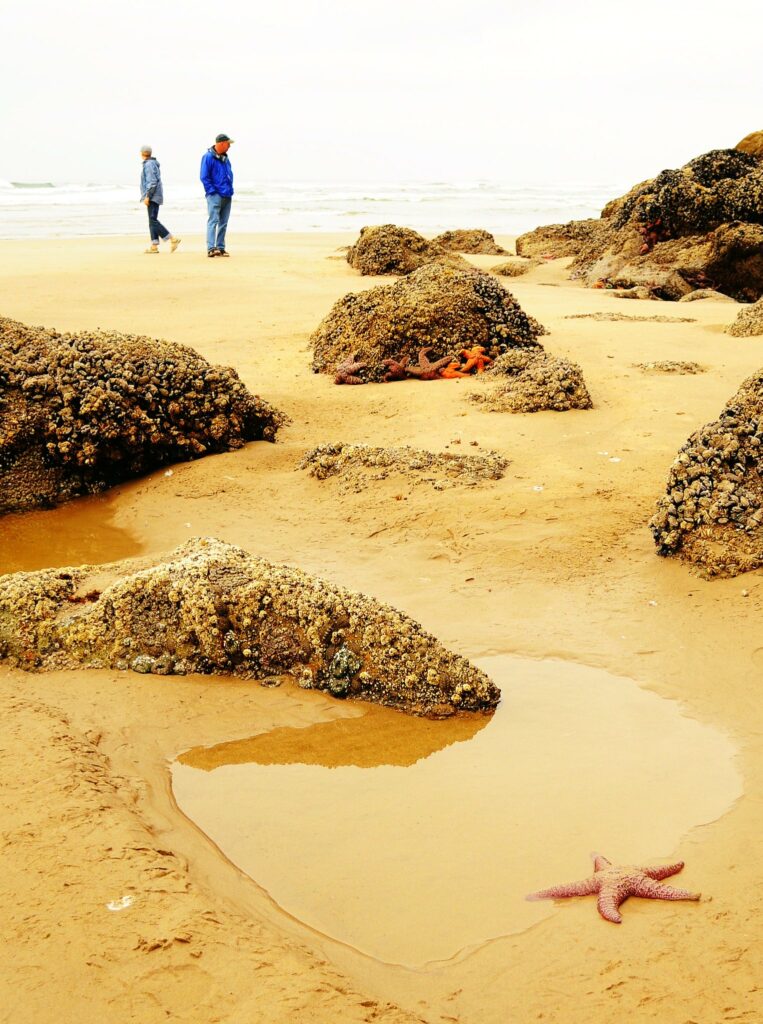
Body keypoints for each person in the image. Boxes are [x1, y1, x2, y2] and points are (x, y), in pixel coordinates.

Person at [139, 146, 181, 254]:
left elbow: (152, 182)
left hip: (153, 196)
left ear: (142, 153)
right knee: (152, 221)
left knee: (153, 220)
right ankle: (154, 246)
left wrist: (148, 196)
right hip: (155, 195)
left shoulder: (148, 165)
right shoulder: (152, 164)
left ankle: (173, 239)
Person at [200, 133, 234, 257]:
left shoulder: (226, 158)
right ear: (221, 143)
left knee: (223, 222)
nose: (229, 146)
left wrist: (230, 190)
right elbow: (204, 177)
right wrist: (212, 191)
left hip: (227, 194)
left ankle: (220, 247)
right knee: (213, 221)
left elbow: (229, 174)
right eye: (228, 144)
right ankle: (211, 248)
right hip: (215, 195)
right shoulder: (208, 157)